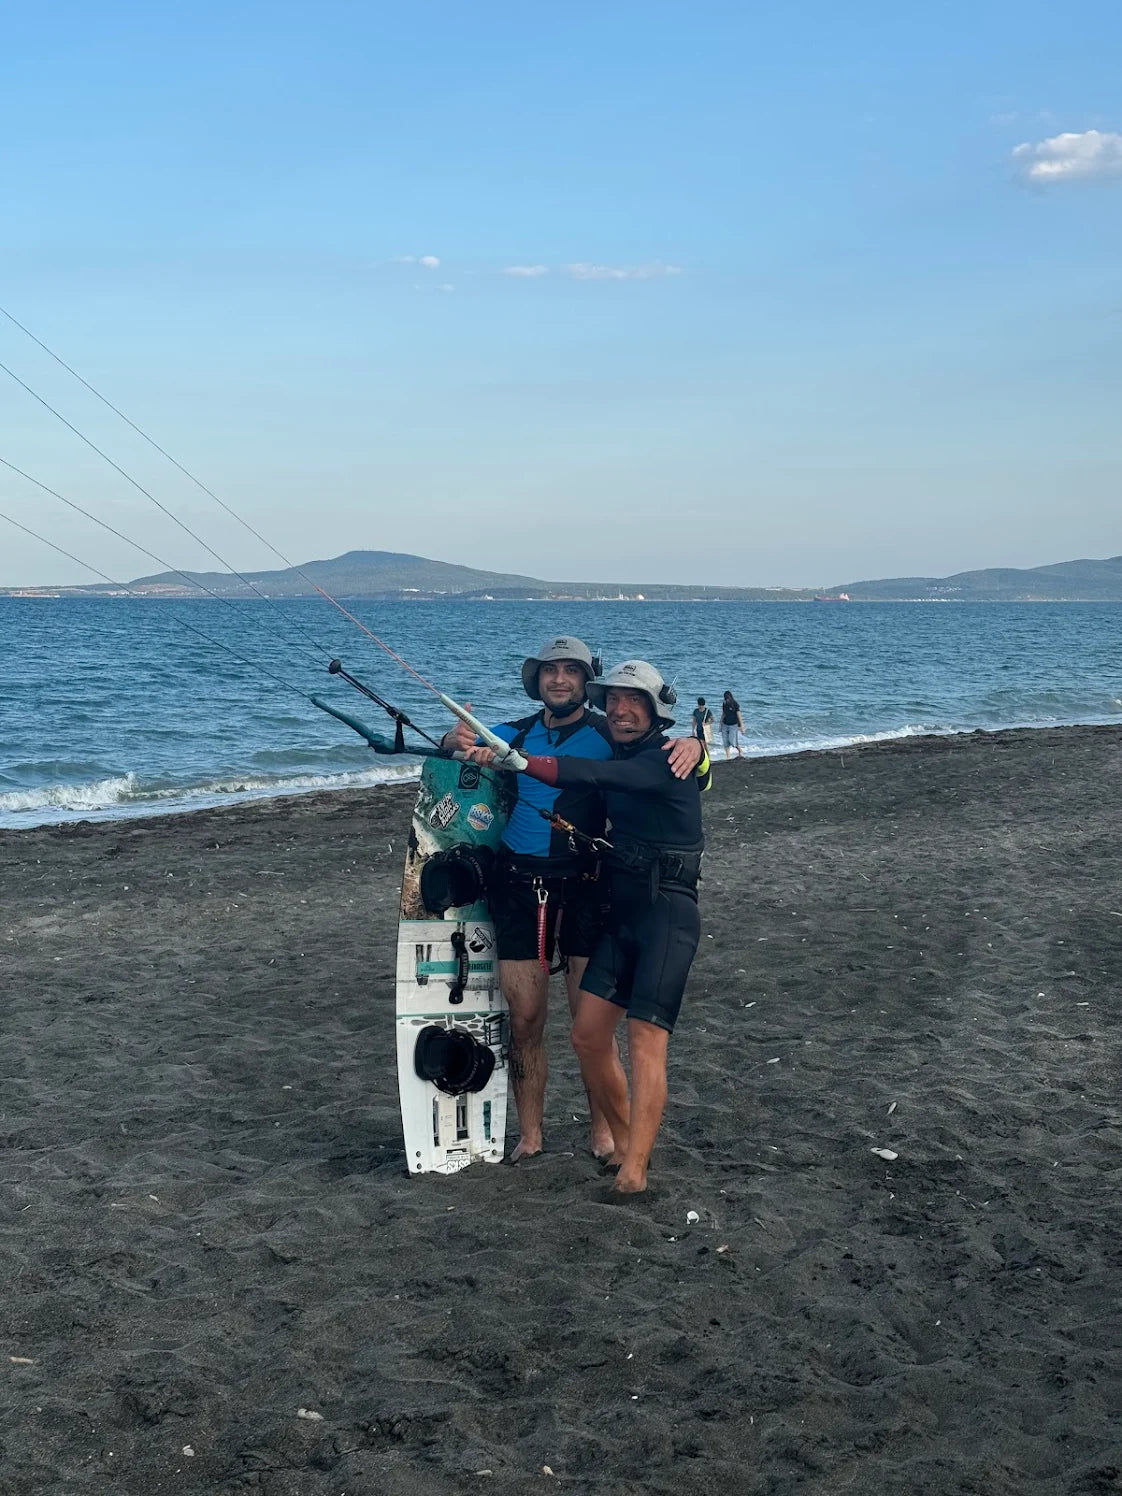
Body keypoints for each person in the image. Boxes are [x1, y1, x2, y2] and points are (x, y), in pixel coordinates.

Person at [442, 637, 703, 1162]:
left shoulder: (611, 733)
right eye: (549, 671)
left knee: (592, 1026)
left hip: (587, 882)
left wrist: (699, 744)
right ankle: (532, 1135)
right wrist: (454, 740)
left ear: (588, 682)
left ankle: (605, 1133)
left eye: (571, 671)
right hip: (517, 883)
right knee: (525, 1019)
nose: (559, 680)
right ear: (535, 678)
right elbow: (464, 751)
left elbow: (660, 761)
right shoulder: (515, 732)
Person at [719, 690, 745, 759]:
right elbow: (723, 713)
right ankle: (728, 756)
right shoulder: (724, 704)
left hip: (733, 724)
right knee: (725, 741)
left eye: (728, 698)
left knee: (732, 741)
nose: (727, 700)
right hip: (725, 724)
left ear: (730, 697)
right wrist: (720, 722)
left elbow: (739, 715)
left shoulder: (735, 704)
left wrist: (742, 726)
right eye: (725, 699)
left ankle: (740, 750)